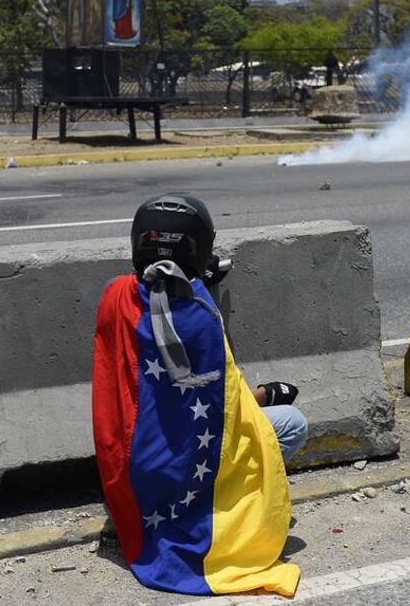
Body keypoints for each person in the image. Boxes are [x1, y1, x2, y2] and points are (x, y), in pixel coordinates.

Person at [91, 194, 306, 597]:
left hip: (130, 468)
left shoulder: (114, 297)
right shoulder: (202, 315)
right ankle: (228, 514)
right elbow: (222, 410)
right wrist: (265, 394)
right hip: (190, 468)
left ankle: (150, 511)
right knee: (292, 425)